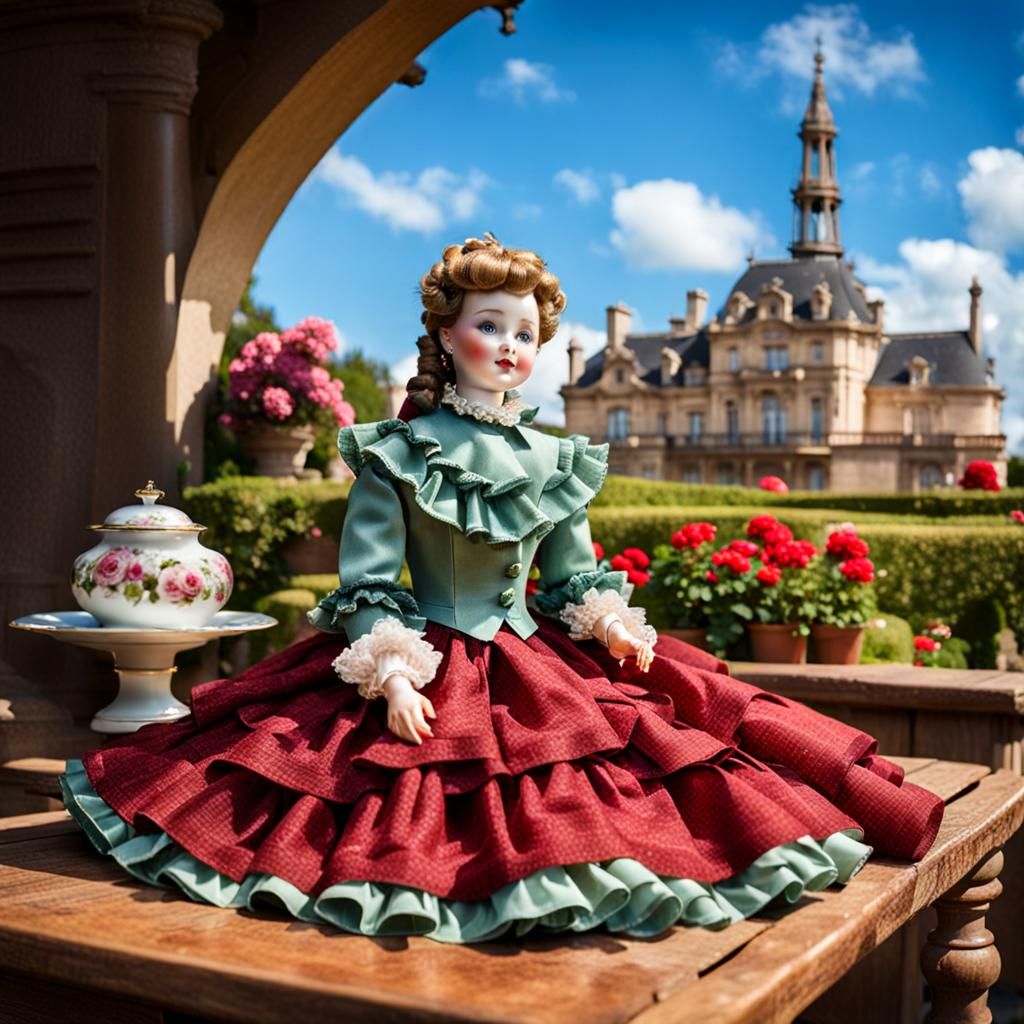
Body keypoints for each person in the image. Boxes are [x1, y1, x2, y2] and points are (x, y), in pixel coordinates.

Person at [60, 235, 943, 943]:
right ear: (446, 335)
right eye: (493, 327)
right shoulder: (397, 449)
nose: (512, 348)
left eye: (526, 333)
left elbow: (571, 573)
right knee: (368, 800)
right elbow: (368, 578)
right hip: (421, 656)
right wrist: (396, 672)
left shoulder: (556, 457)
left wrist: (611, 626)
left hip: (532, 657)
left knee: (623, 778)